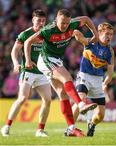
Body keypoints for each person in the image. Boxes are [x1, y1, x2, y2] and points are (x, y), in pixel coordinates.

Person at [24, 9, 98, 137]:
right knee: (67, 77)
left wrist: (95, 34)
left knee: (63, 94)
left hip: (57, 60)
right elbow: (27, 42)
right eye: (62, 23)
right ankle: (81, 105)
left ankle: (71, 128)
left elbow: (86, 18)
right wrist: (28, 60)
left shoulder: (72, 24)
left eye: (67, 23)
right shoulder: (48, 30)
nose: (65, 26)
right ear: (56, 20)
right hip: (46, 59)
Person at [1, 9, 52, 137]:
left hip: (42, 72)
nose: (41, 23)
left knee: (47, 100)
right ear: (33, 20)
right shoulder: (25, 34)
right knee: (23, 98)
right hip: (28, 71)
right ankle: (6, 126)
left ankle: (40, 130)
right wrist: (16, 63)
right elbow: (14, 51)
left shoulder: (47, 34)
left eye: (43, 21)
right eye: (38, 20)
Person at [72, 22, 114, 136]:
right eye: (107, 34)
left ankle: (92, 124)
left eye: (111, 34)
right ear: (99, 33)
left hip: (98, 81)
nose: (109, 37)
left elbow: (110, 72)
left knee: (100, 115)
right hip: (84, 76)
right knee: (80, 100)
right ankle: (70, 127)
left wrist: (105, 83)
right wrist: (75, 33)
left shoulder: (110, 51)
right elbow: (80, 38)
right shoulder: (92, 42)